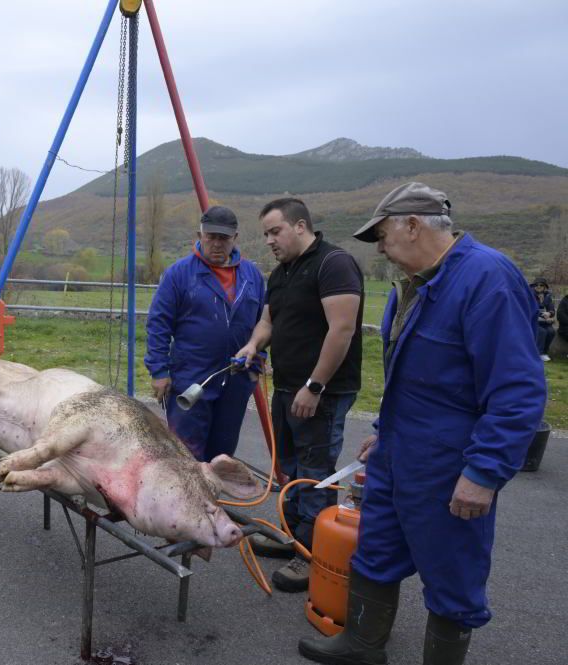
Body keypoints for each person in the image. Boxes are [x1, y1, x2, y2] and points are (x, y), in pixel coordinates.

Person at [298, 182, 546, 665]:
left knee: (453, 575)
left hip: (451, 461)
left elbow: (517, 389)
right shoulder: (410, 287)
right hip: (398, 453)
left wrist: (484, 473)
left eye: (385, 235)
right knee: (376, 549)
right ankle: (363, 645)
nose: (383, 249)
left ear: (413, 225)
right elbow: (413, 379)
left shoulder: (487, 278)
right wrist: (384, 434)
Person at [234, 197, 364, 593]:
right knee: (289, 467)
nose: (270, 240)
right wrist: (253, 345)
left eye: (275, 231)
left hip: (320, 392)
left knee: (315, 471)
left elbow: (341, 330)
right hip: (288, 386)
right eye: (266, 234)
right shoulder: (282, 272)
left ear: (301, 226)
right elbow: (269, 321)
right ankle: (289, 536)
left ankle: (312, 554)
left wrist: (314, 386)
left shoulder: (334, 264)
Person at [144, 206, 265, 461]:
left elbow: (263, 323)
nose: (217, 244)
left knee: (222, 453)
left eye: (224, 238)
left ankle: (211, 500)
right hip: (191, 376)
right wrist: (159, 371)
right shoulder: (179, 274)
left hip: (236, 377)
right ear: (199, 235)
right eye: (211, 236)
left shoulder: (252, 276)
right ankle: (184, 501)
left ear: (236, 238)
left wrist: (258, 362)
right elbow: (159, 324)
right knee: (185, 453)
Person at [530, 278, 555, 361]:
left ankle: (544, 352)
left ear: (545, 287)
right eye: (537, 285)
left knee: (551, 331)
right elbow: (531, 309)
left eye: (541, 285)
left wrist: (549, 313)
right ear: (534, 286)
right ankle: (538, 353)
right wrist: (543, 315)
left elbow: (552, 309)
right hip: (532, 320)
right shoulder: (530, 295)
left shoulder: (547, 296)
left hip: (544, 321)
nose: (539, 286)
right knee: (542, 332)